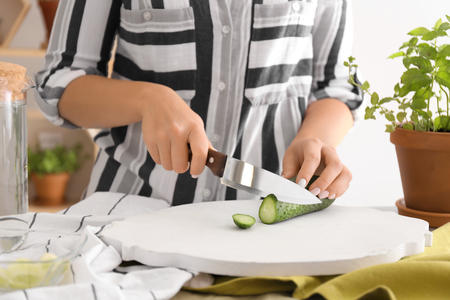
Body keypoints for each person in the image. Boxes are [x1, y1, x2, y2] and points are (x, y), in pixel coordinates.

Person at [35, 0, 364, 206]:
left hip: (268, 226)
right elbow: (58, 82)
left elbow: (334, 87)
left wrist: (315, 139)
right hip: (130, 212)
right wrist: (148, 99)